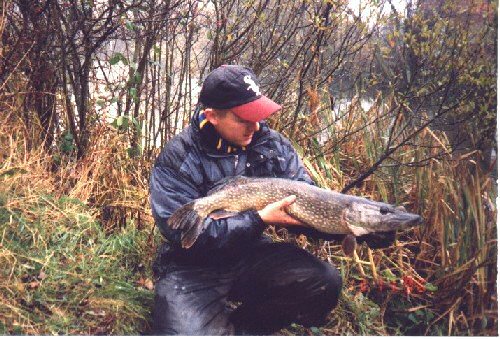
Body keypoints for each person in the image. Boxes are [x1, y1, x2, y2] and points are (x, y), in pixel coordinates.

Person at [149, 65, 393, 335]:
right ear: (212, 116)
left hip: (250, 252)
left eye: (258, 115)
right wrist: (258, 219)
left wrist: (358, 229)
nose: (255, 126)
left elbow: (311, 209)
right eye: (243, 119)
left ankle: (245, 329)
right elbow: (182, 233)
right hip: (192, 265)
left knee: (323, 281)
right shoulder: (179, 156)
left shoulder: (273, 146)